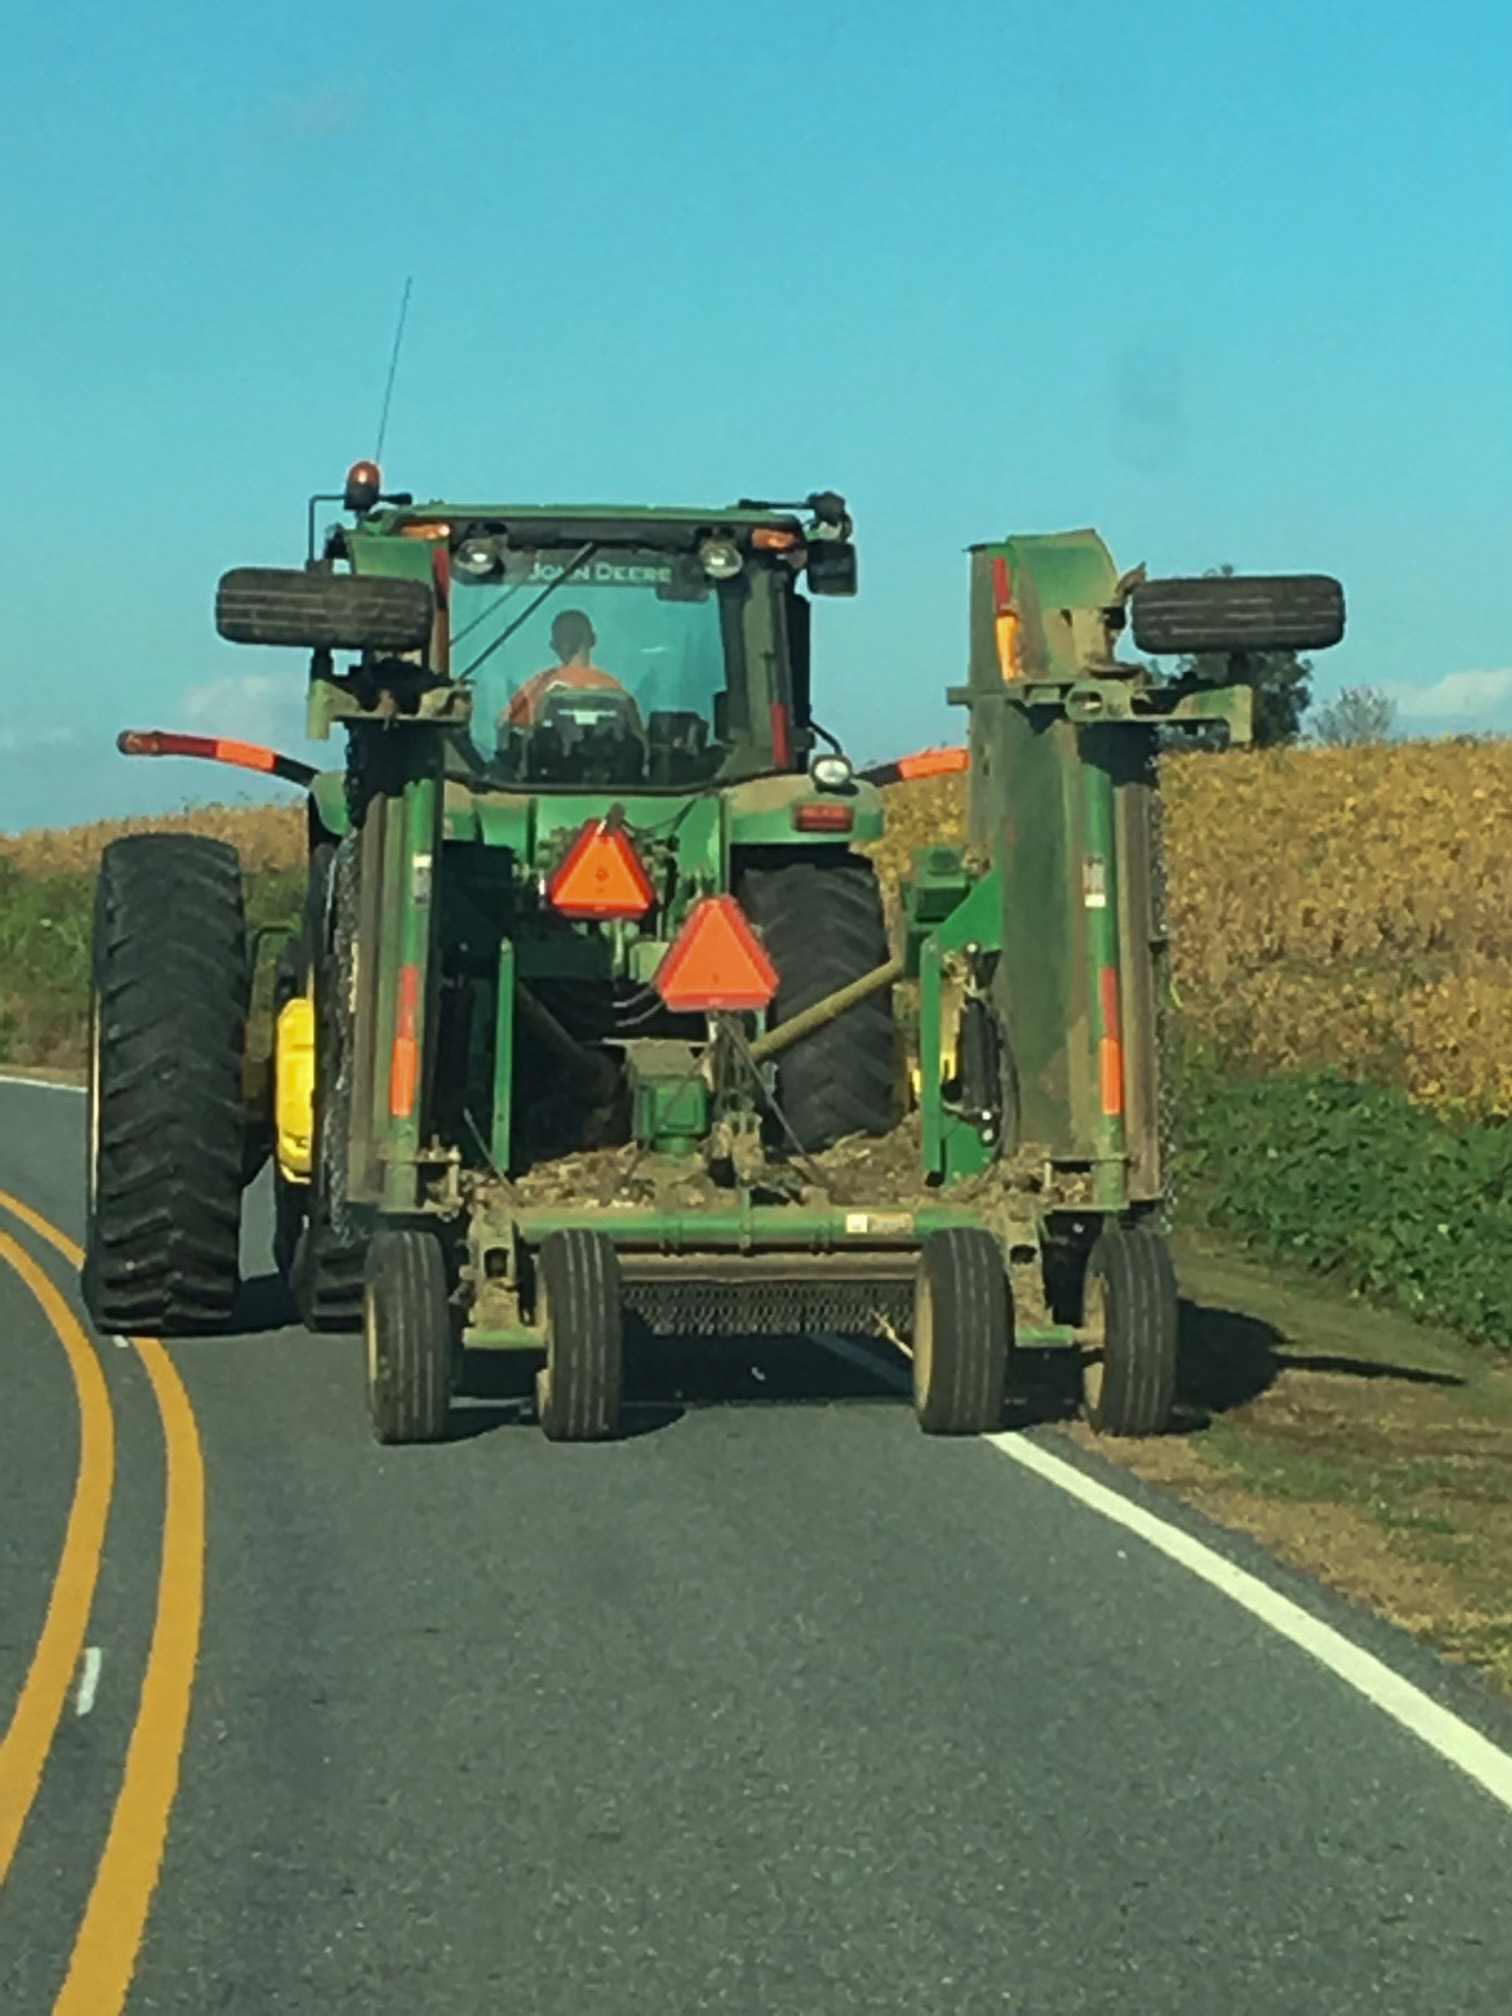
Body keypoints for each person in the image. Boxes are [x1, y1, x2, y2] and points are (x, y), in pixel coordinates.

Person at [501, 609, 637, 730]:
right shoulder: (614, 689)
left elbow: (504, 724)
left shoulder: (538, 685)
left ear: (553, 645)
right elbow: (637, 737)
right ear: (593, 640)